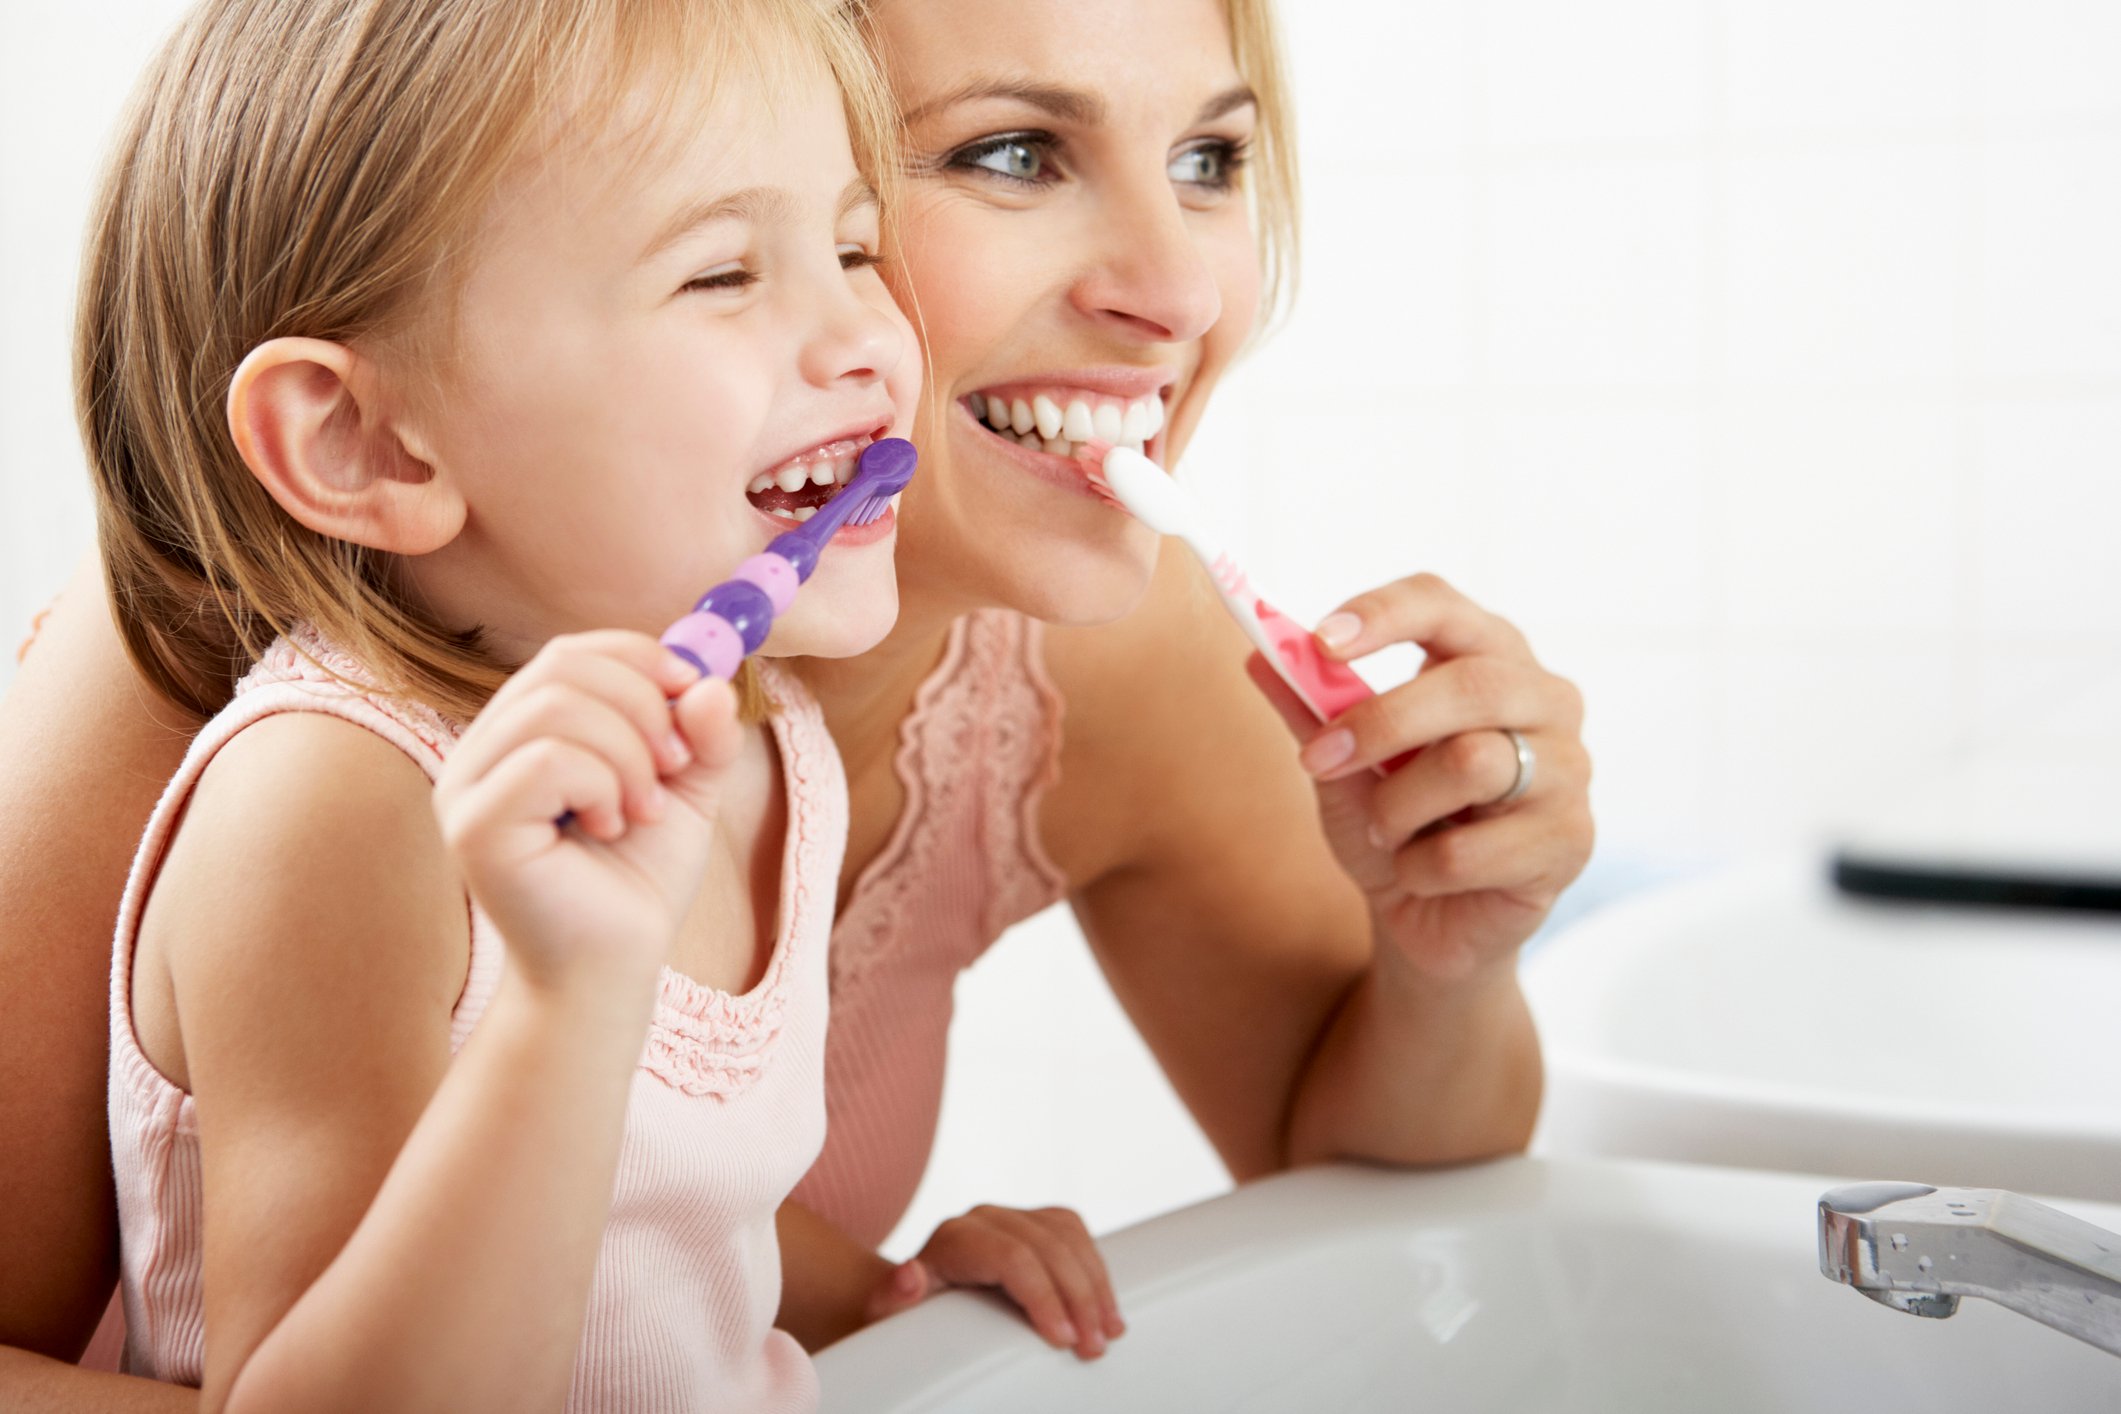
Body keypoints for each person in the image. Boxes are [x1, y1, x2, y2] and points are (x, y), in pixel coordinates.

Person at [0, 0, 1595, 1402]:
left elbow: (679, 1211)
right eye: (1012, 153)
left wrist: (1444, 951)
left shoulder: (784, 738)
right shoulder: (302, 757)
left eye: (1211, 160)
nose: (1178, 293)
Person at [8, 0, 933, 1407]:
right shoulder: (337, 804)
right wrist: (567, 1002)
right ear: (364, 441)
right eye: (724, 274)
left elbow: (653, 1222)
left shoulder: (763, 733)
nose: (868, 335)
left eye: (855, 246)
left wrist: (887, 1287)